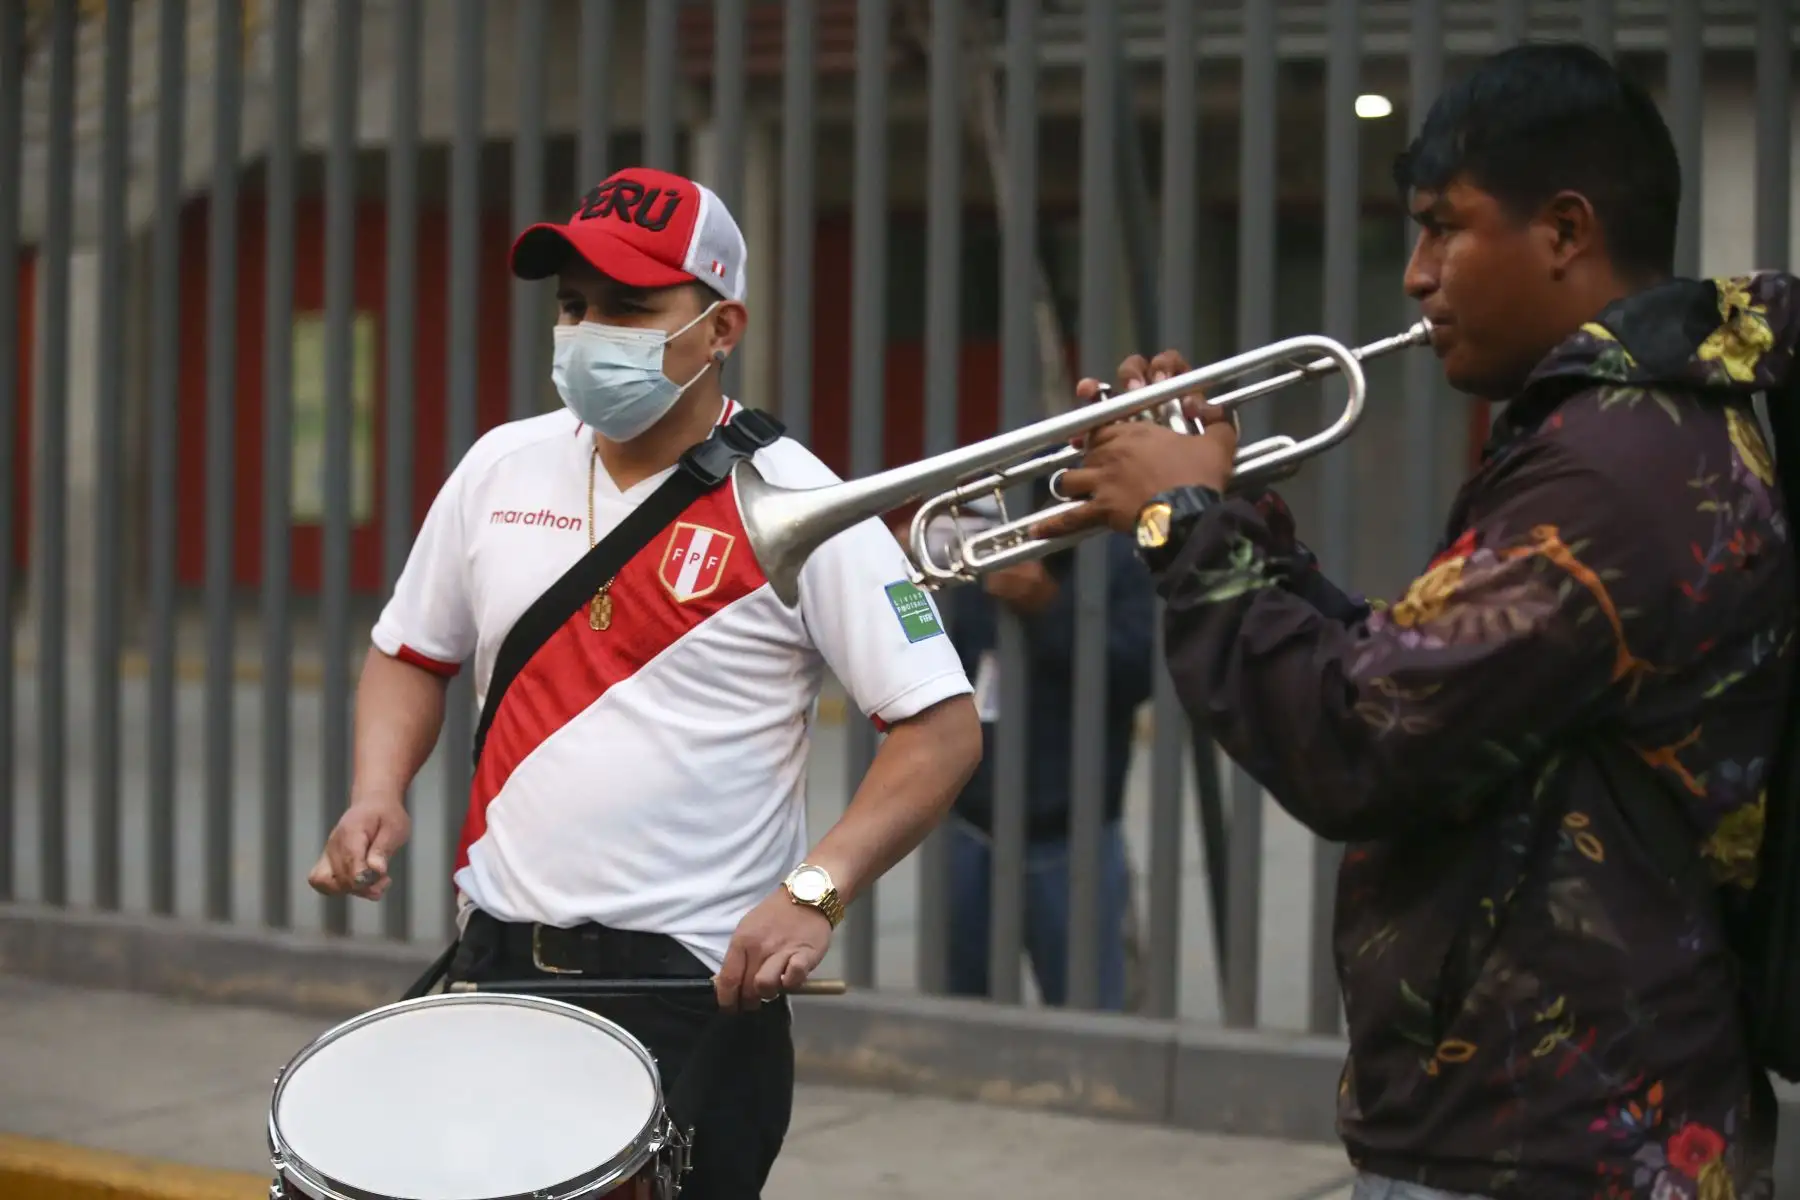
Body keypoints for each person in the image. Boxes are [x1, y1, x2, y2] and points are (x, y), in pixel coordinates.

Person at [1035, 43, 1799, 1200]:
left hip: (1557, 1137)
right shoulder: (1615, 435)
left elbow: (1362, 741)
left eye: (1445, 227)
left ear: (1565, 231)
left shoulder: (1615, 471)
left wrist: (1181, 527)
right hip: (1546, 1114)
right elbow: (1421, 679)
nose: (1415, 274)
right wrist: (1226, 516)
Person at [307, 165, 982, 1200]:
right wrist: (376, 790)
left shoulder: (800, 502)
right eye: (574, 307)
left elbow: (939, 728)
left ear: (722, 329)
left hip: (695, 994)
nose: (588, 333)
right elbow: (410, 652)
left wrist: (815, 893)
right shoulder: (500, 467)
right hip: (496, 969)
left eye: (630, 308)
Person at [925, 490, 1156, 1009]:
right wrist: (901, 576)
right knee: (959, 1020)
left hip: (1072, 831)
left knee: (1093, 1021)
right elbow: (935, 658)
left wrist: (1049, 607)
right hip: (971, 822)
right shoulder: (982, 544)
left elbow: (1138, 670)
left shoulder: (1119, 551)